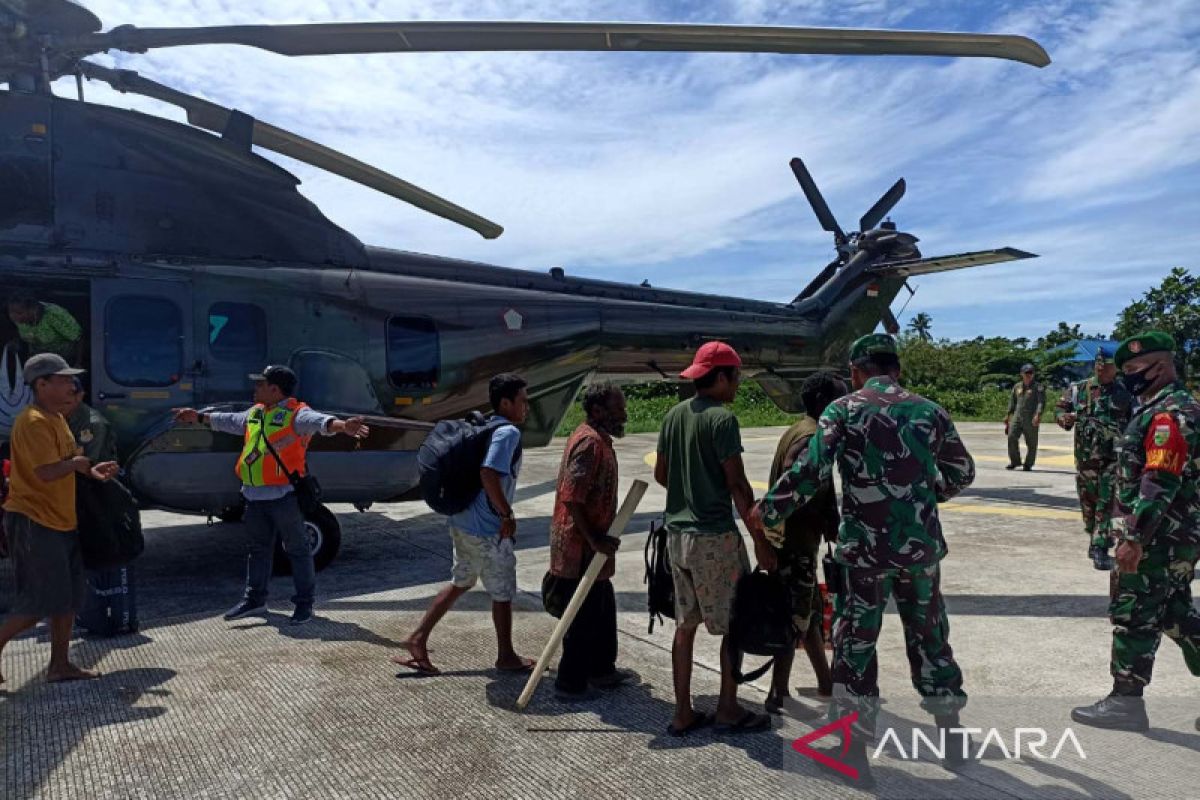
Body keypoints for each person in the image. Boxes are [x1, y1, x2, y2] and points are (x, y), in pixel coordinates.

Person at [756, 334, 975, 784]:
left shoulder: (844, 409)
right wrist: (923, 501)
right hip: (920, 552)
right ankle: (952, 738)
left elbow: (813, 471)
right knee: (931, 636)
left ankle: (853, 753)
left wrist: (770, 509)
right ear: (896, 368)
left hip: (865, 554)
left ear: (857, 371)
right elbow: (962, 471)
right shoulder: (930, 410)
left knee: (856, 646)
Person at [1072, 332, 1200, 733]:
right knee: (1176, 616)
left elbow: (1159, 480)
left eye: (1132, 370)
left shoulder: (1170, 414)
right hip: (1170, 538)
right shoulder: (1158, 407)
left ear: (1159, 367)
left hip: (1158, 539)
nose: (1127, 377)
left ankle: (1125, 702)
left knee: (1133, 616)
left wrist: (1134, 540)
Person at [172, 365, 369, 625]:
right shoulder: (255, 413)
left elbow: (320, 422)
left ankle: (304, 604)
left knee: (297, 550)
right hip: (254, 497)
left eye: (260, 384)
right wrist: (197, 417)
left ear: (275, 389)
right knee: (258, 550)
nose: (255, 389)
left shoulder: (296, 414)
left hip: (283, 497)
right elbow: (227, 420)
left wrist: (343, 426)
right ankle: (254, 600)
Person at [655, 341, 776, 737]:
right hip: (713, 539)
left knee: (685, 626)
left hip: (677, 538)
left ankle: (682, 712)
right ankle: (727, 708)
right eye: (735, 377)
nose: (737, 384)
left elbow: (661, 474)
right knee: (734, 624)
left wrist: (688, 487)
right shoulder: (723, 420)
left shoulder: (673, 416)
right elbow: (738, 485)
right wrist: (760, 539)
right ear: (721, 377)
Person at [396, 374, 535, 675]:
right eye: (523, 400)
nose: (527, 406)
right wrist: (506, 515)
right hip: (487, 529)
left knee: (462, 581)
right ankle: (506, 655)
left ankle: (417, 639)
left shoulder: (484, 425)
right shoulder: (507, 432)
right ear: (505, 402)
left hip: (462, 521)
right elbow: (488, 473)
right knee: (502, 592)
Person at [0, 354, 119, 685]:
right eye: (64, 380)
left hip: (60, 520)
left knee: (67, 598)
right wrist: (79, 464)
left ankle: (60, 665)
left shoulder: (56, 418)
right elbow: (46, 472)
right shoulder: (35, 421)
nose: (71, 385)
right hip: (34, 521)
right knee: (38, 602)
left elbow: (65, 462)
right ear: (41, 384)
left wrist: (92, 471)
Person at [764, 370, 845, 714]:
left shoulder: (803, 428)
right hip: (794, 542)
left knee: (809, 612)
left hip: (799, 542)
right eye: (840, 398)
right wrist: (825, 518)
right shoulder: (810, 437)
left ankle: (826, 683)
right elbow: (792, 486)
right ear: (824, 402)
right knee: (793, 617)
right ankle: (777, 693)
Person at [548, 383, 633, 700]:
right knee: (582, 616)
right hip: (580, 547)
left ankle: (601, 669)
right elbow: (571, 497)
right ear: (598, 411)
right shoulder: (590, 443)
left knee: (602, 605)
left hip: (594, 547)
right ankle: (570, 683)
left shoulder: (600, 440)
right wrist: (595, 539)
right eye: (618, 408)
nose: (624, 413)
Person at [1054, 349, 1132, 571]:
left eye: (1106, 364)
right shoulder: (1079, 389)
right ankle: (1094, 537)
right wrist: (1064, 419)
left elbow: (1135, 421)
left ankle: (1100, 546)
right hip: (1086, 458)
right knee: (1088, 502)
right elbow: (1060, 410)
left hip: (1113, 458)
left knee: (1106, 501)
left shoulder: (1125, 392)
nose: (1101, 367)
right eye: (1098, 363)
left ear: (1115, 368)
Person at [6, 293, 83, 366]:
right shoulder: (18, 319)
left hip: (64, 360)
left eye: (19, 313)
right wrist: (16, 341)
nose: (13, 316)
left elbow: (79, 338)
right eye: (11, 312)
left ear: (33, 309)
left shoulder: (54, 315)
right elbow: (20, 332)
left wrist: (78, 364)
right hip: (38, 360)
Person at [65, 380, 118, 465]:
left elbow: (88, 462)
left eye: (67, 395)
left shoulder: (94, 424)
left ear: (79, 396)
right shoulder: (58, 417)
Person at [1004, 363, 1044, 470]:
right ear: (1022, 374)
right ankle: (1015, 461)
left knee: (1031, 442)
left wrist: (1038, 414)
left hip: (1031, 418)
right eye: (1026, 373)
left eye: (1031, 373)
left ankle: (1028, 464)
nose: (1029, 375)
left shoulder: (1038, 387)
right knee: (1011, 436)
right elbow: (1012, 402)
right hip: (1017, 416)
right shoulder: (1017, 387)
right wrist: (1008, 415)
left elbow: (1041, 402)